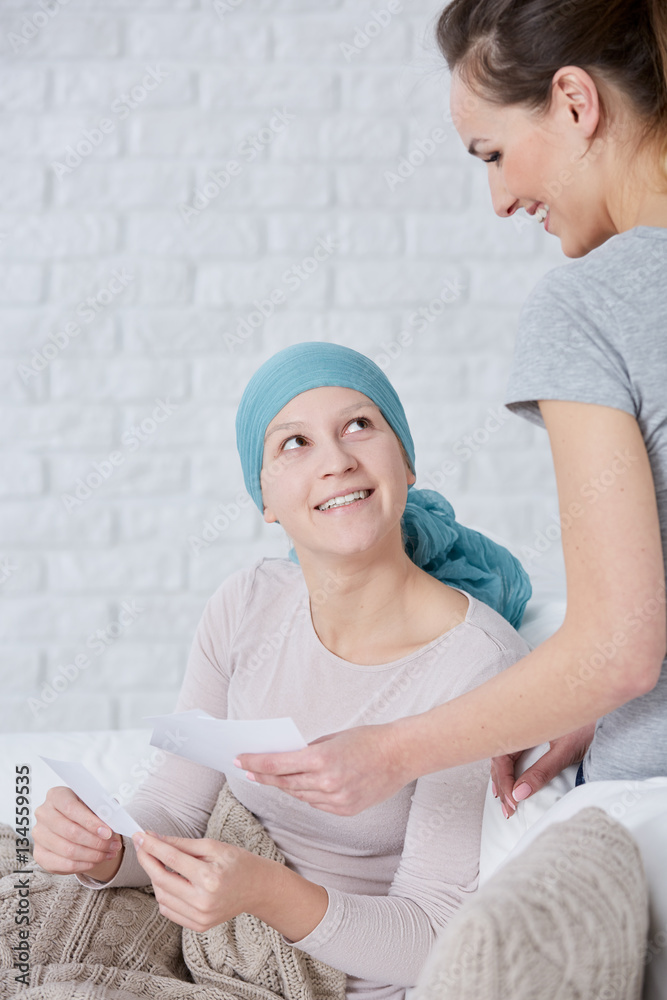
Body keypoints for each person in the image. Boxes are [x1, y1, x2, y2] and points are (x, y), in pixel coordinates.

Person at [234, 0, 667, 821]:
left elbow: (618, 652)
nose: (501, 199)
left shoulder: (592, 305)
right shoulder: (246, 614)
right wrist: (566, 701)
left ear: (576, 103)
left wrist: (389, 751)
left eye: (495, 154)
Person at [31, 342, 532, 1000]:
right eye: (293, 443)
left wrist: (267, 894)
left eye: (359, 425)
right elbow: (178, 807)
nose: (335, 460)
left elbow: (436, 935)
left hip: (321, 979)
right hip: (199, 934)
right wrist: (104, 848)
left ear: (405, 461)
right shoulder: (245, 605)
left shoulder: (475, 662)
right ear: (263, 497)